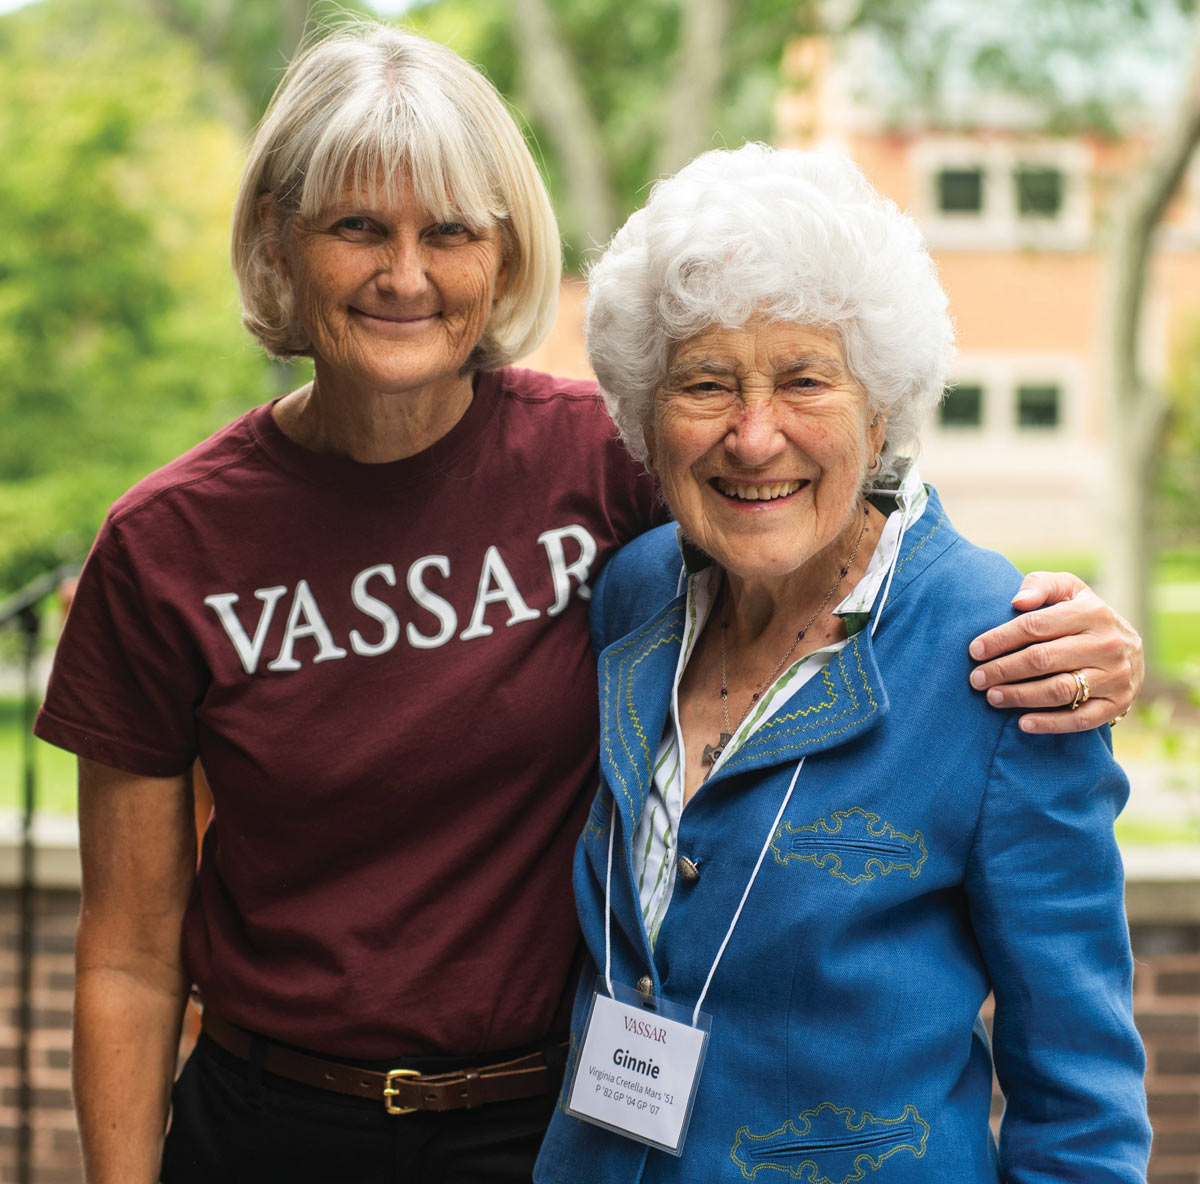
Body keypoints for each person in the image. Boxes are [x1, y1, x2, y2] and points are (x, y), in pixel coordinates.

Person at [33, 23, 1141, 1184]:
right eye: (358, 226)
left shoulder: (595, 469)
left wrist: (1065, 630)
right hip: (278, 1124)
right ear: (279, 240)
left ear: (504, 254)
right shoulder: (168, 545)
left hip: (532, 1123)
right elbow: (128, 949)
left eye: (449, 231)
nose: (405, 274)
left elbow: (819, 494)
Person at [533, 144, 1150, 1183]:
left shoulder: (1003, 655)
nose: (754, 433)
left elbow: (1081, 1096)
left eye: (804, 378)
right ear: (647, 412)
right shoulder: (639, 593)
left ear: (881, 406)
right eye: (705, 382)